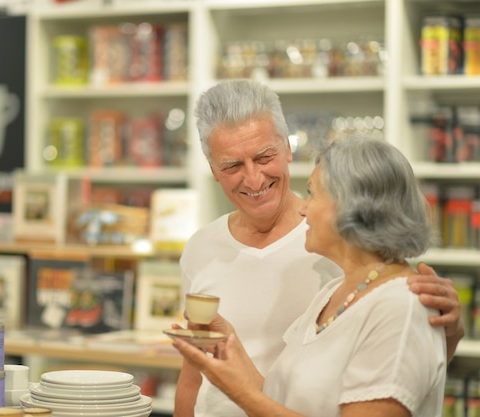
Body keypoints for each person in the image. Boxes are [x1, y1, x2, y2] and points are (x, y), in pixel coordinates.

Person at [174, 79, 463, 417]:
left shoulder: (378, 283)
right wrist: (232, 354)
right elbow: (217, 380)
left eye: (264, 157)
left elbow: (403, 359)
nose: (253, 179)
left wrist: (448, 332)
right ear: (213, 170)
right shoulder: (327, 297)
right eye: (233, 166)